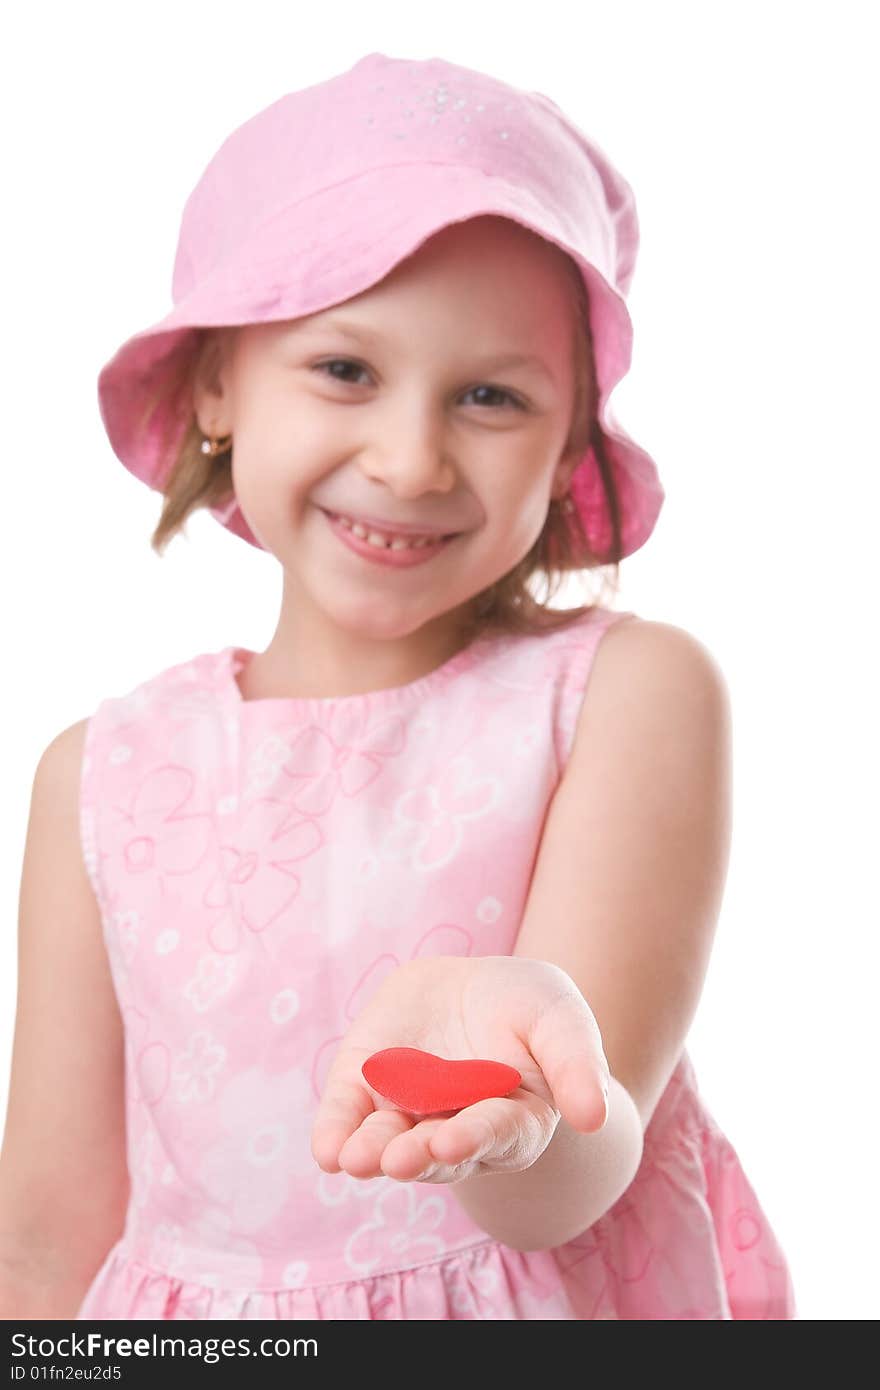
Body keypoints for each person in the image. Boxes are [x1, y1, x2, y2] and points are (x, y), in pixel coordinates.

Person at [0, 51, 796, 1321]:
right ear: (216, 384)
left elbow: (572, 1180)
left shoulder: (624, 694)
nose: (412, 457)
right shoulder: (98, 776)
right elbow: (43, 1245)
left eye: (489, 395)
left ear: (566, 446)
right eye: (345, 370)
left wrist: (515, 1074)